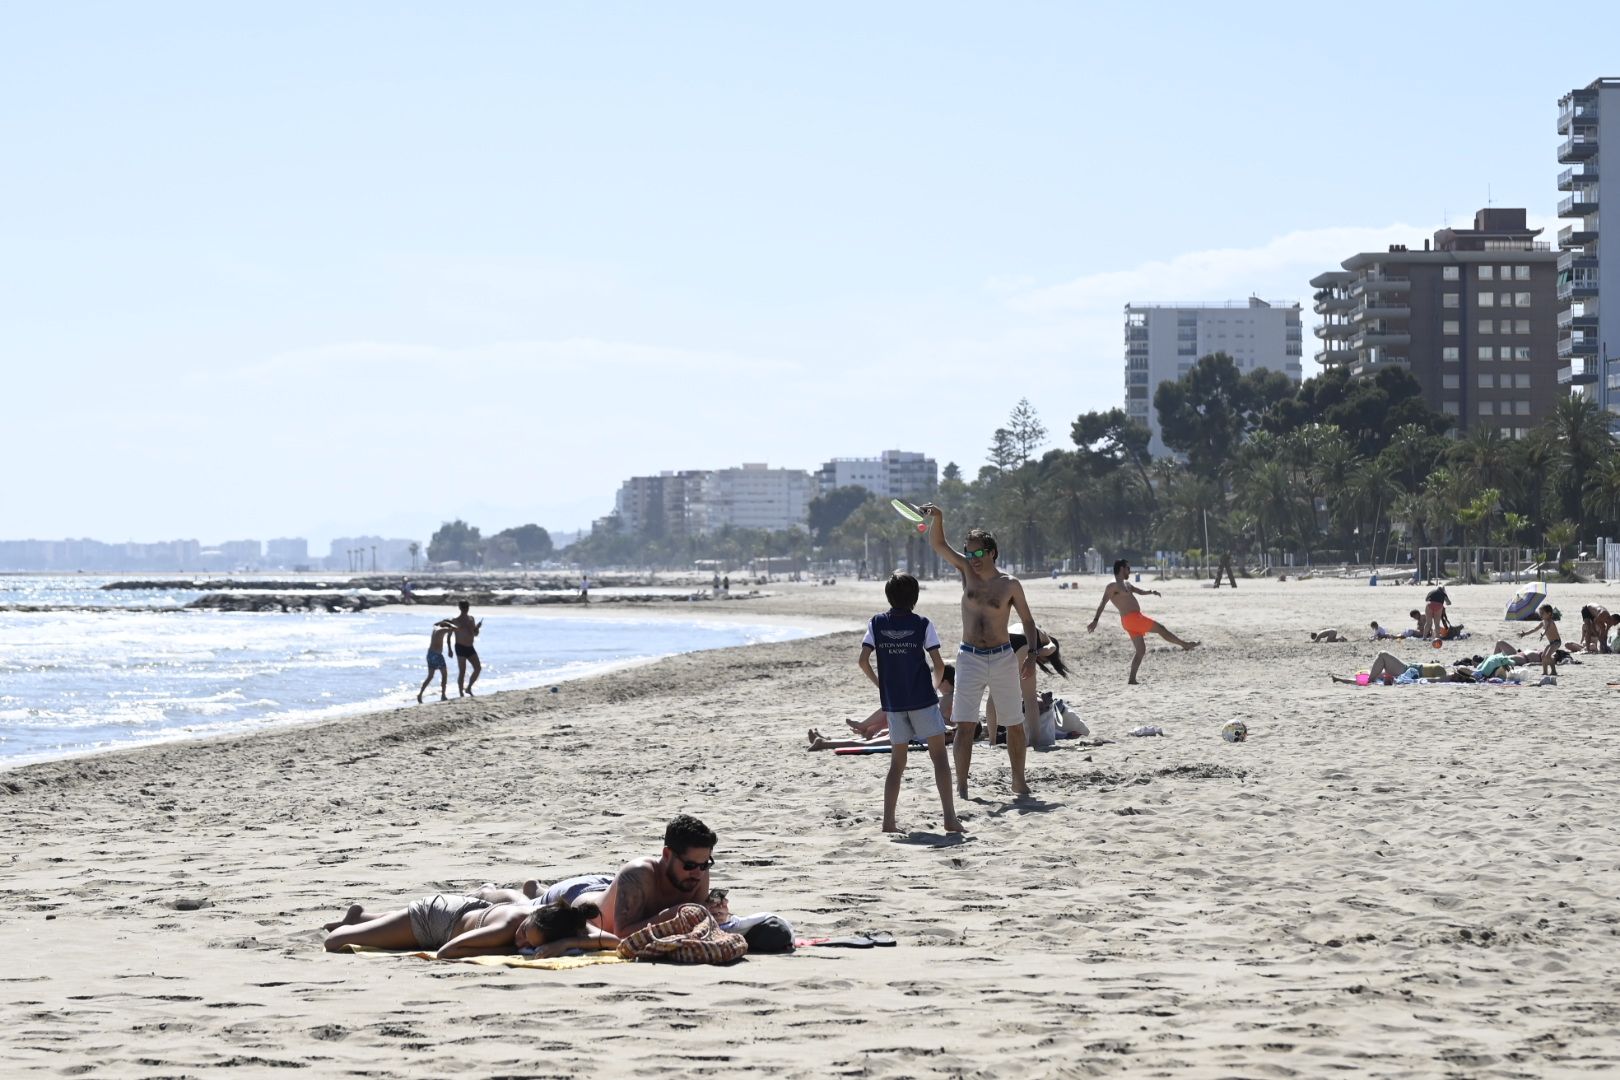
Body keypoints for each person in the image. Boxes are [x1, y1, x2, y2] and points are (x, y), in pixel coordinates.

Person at [918, 505, 1041, 798]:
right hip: (969, 657)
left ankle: (1018, 781)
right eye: (968, 553)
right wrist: (938, 517)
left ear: (992, 552)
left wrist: (1033, 655)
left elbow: (1027, 620)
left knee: (1013, 723)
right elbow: (937, 544)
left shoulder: (1010, 584)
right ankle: (962, 785)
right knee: (964, 725)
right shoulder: (966, 572)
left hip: (1001, 657)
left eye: (977, 554)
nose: (972, 559)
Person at [858, 571, 960, 834]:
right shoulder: (923, 623)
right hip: (922, 700)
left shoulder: (877, 623)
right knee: (938, 758)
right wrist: (935, 686)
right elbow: (938, 664)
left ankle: (888, 821)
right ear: (915, 598)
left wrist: (881, 685)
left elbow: (862, 660)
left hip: (894, 703)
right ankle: (949, 818)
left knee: (897, 764)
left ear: (888, 596)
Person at [323, 895, 616, 959]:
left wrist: (564, 945)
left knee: (384, 929)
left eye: (530, 942)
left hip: (467, 910)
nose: (521, 940)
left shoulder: (565, 921)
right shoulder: (510, 926)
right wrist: (511, 948)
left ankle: (361, 916)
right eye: (525, 931)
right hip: (433, 921)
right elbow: (446, 952)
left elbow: (613, 941)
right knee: (336, 942)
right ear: (529, 918)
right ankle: (355, 922)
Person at [591, 815, 718, 936]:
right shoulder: (638, 874)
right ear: (667, 855)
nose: (697, 873)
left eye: (704, 865)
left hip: (614, 889)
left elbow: (696, 923)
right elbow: (621, 935)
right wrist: (674, 913)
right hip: (585, 891)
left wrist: (714, 916)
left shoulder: (700, 871)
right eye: (689, 865)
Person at [1087, 560, 1199, 684]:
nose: (1129, 570)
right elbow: (1103, 603)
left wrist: (1151, 591)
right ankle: (1184, 645)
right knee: (1161, 628)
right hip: (1132, 618)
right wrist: (1095, 620)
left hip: (1132, 620)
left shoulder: (1127, 584)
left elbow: (1139, 591)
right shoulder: (1112, 586)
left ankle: (1132, 679)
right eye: (1128, 568)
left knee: (1141, 650)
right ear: (1121, 569)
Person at [447, 600, 482, 696]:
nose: (466, 609)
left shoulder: (471, 619)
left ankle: (469, 688)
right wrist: (449, 649)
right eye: (464, 608)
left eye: (467, 607)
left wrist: (477, 628)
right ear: (460, 608)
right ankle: (460, 693)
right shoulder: (455, 621)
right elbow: (449, 635)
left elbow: (475, 634)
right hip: (460, 647)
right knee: (462, 671)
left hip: (470, 647)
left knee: (478, 668)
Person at [417, 620, 456, 703]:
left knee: (430, 676)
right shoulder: (442, 630)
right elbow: (455, 629)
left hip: (430, 655)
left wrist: (444, 622)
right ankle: (443, 695)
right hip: (437, 655)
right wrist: (449, 624)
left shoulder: (435, 628)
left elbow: (435, 624)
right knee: (444, 674)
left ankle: (420, 694)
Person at [1520, 603, 1562, 676]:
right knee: (1543, 656)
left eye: (1542, 613)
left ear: (1549, 613)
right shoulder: (1543, 622)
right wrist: (1525, 633)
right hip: (1551, 643)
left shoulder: (1550, 622)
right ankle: (1545, 672)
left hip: (1557, 642)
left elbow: (1547, 629)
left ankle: (1553, 671)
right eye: (1540, 613)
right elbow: (1534, 629)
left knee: (1548, 656)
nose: (1541, 614)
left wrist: (1543, 634)